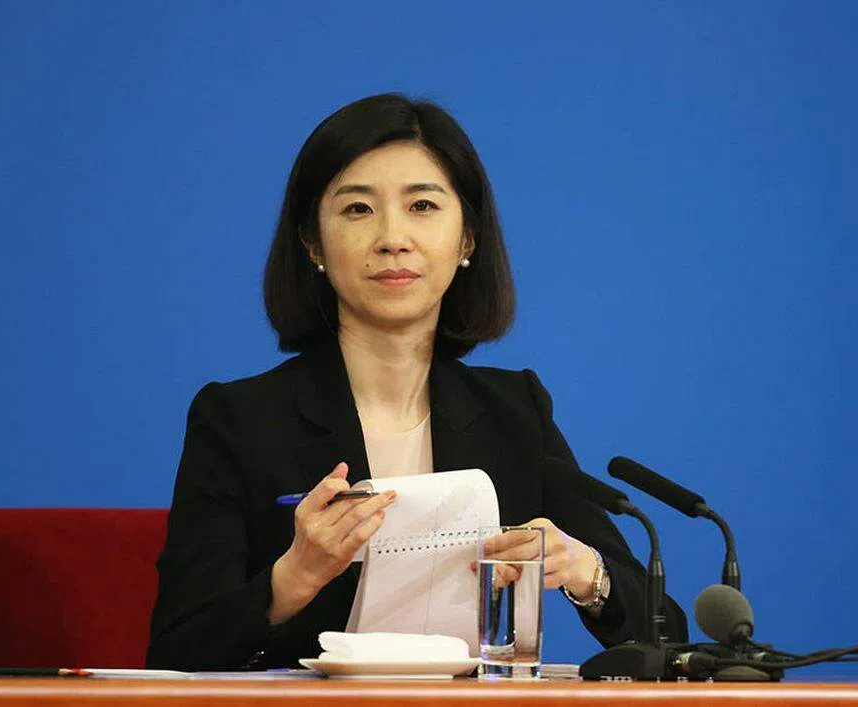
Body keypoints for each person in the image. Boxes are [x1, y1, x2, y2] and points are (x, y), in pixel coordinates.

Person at [146, 93, 687, 671]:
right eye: (358, 209)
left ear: (467, 239)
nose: (393, 238)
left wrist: (585, 571)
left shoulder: (513, 411)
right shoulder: (239, 420)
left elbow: (668, 637)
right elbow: (177, 651)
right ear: (313, 243)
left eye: (422, 205)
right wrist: (295, 576)